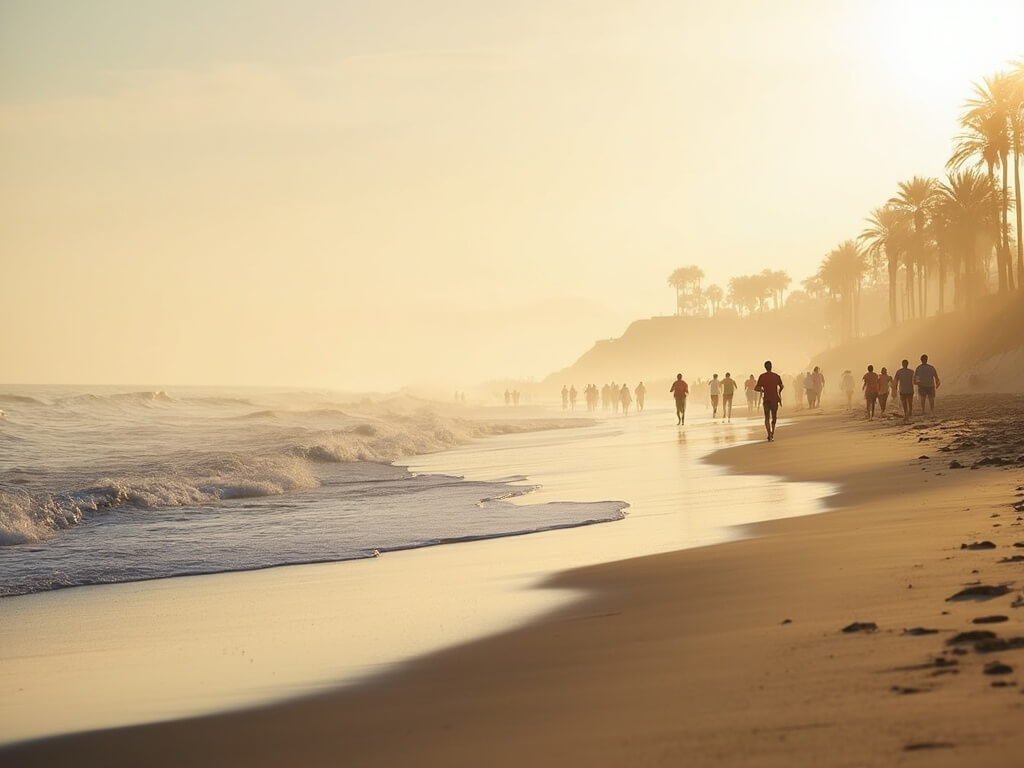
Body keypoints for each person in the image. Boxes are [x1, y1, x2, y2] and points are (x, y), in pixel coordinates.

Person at [754, 361, 784, 441]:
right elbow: (781, 386)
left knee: (767, 417)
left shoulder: (762, 376)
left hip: (766, 400)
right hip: (775, 399)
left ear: (765, 367)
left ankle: (769, 434)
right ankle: (772, 433)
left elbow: (756, 388)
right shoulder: (776, 376)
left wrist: (763, 390)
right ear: (771, 366)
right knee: (774, 417)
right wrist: (779, 391)